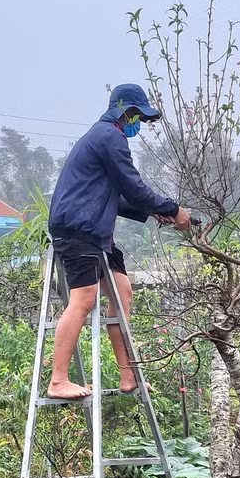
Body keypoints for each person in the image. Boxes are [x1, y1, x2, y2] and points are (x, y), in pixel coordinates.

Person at [45, 84, 192, 400]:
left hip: (97, 233)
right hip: (78, 230)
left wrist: (154, 212)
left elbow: (119, 198)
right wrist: (172, 209)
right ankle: (58, 380)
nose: (138, 122)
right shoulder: (109, 137)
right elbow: (135, 188)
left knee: (123, 292)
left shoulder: (103, 138)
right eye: (137, 115)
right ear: (125, 112)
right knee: (84, 298)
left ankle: (129, 376)